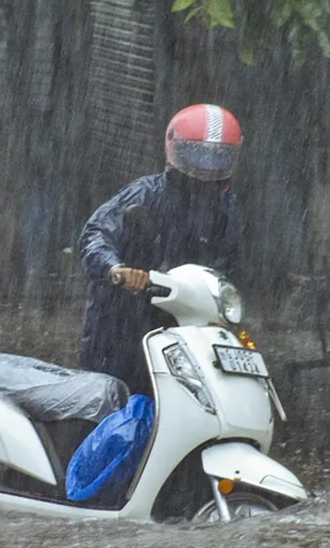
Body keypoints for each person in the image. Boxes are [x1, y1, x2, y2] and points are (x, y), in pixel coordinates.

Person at [78, 104, 243, 395]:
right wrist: (116, 269)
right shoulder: (146, 193)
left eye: (217, 156)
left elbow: (227, 263)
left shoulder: (225, 207)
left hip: (185, 322)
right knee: (112, 402)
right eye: (198, 154)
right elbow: (95, 234)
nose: (206, 165)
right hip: (123, 321)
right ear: (175, 148)